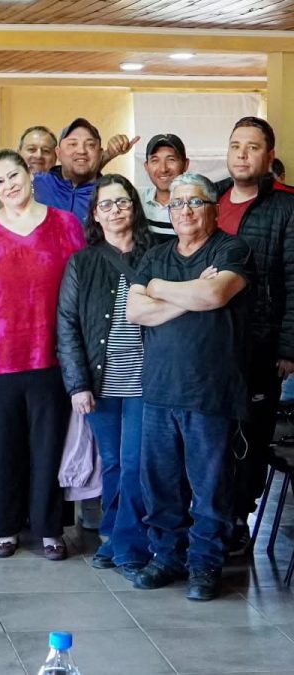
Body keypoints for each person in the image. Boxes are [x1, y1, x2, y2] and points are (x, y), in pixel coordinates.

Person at [125, 172, 253, 601]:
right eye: (177, 204)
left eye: (194, 203)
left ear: (214, 208)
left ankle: (204, 565)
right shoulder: (155, 257)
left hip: (210, 391)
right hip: (159, 389)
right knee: (160, 484)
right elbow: (135, 311)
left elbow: (215, 297)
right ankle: (167, 557)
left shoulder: (232, 248)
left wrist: (163, 292)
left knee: (211, 487)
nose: (184, 211)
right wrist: (186, 291)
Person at [0, 149, 85, 561]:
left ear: (30, 176)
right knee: (0, 447)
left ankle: (51, 529)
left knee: (49, 445)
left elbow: (79, 293)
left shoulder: (66, 225)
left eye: (14, 175)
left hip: (50, 353)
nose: (9, 185)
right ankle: (4, 527)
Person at [57, 174, 153, 577]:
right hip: (101, 381)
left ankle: (126, 542)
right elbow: (67, 325)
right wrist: (77, 385)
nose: (115, 210)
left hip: (148, 379)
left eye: (122, 202)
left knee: (135, 463)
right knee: (113, 462)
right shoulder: (83, 261)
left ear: (134, 206)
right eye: (106, 204)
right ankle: (116, 535)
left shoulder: (157, 255)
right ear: (94, 214)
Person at [214, 117, 294, 556]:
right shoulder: (211, 199)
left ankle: (238, 522)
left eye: (252, 147)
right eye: (235, 145)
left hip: (261, 345)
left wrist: (288, 348)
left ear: (269, 156)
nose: (242, 154)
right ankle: (211, 517)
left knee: (250, 436)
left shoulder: (285, 206)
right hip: (210, 343)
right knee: (213, 435)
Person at [33, 119, 138, 224]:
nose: (81, 151)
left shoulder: (111, 195)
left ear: (100, 153)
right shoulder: (37, 183)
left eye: (91, 145)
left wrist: (109, 154)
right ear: (58, 153)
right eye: (73, 144)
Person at [139, 134, 189, 242]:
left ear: (185, 164)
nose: (163, 169)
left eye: (171, 159)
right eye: (155, 160)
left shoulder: (195, 207)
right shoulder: (137, 203)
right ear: (146, 167)